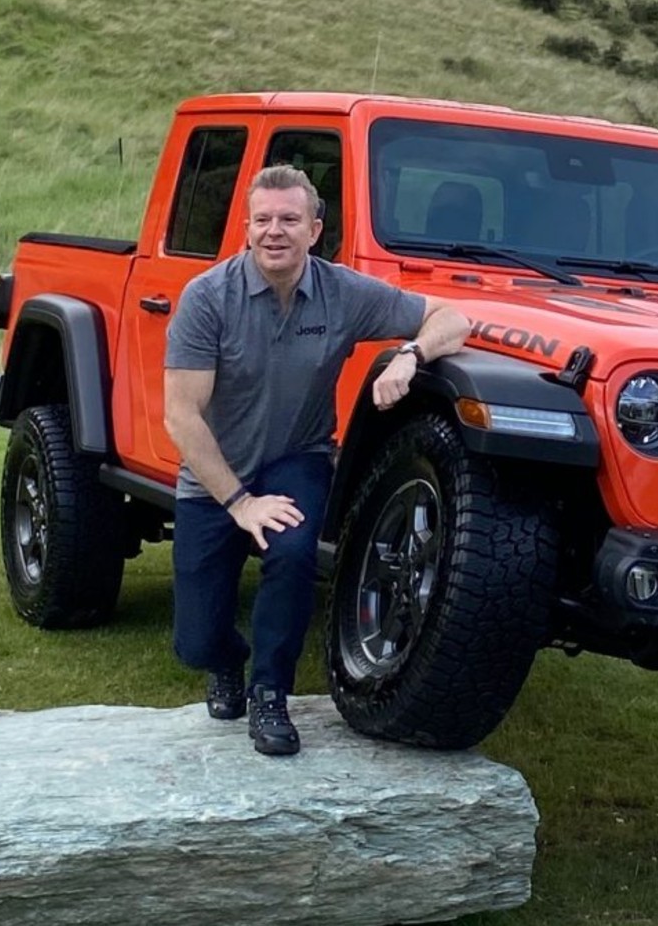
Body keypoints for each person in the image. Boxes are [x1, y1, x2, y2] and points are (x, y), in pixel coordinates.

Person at [164, 164, 470, 756]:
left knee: (294, 553)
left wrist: (410, 354)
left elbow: (452, 318)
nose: (274, 231)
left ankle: (270, 695)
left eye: (289, 219)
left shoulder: (343, 291)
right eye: (262, 220)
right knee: (195, 641)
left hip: (297, 457)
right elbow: (182, 417)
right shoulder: (206, 300)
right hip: (215, 473)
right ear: (246, 229)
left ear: (314, 229)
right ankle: (226, 660)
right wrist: (239, 502)